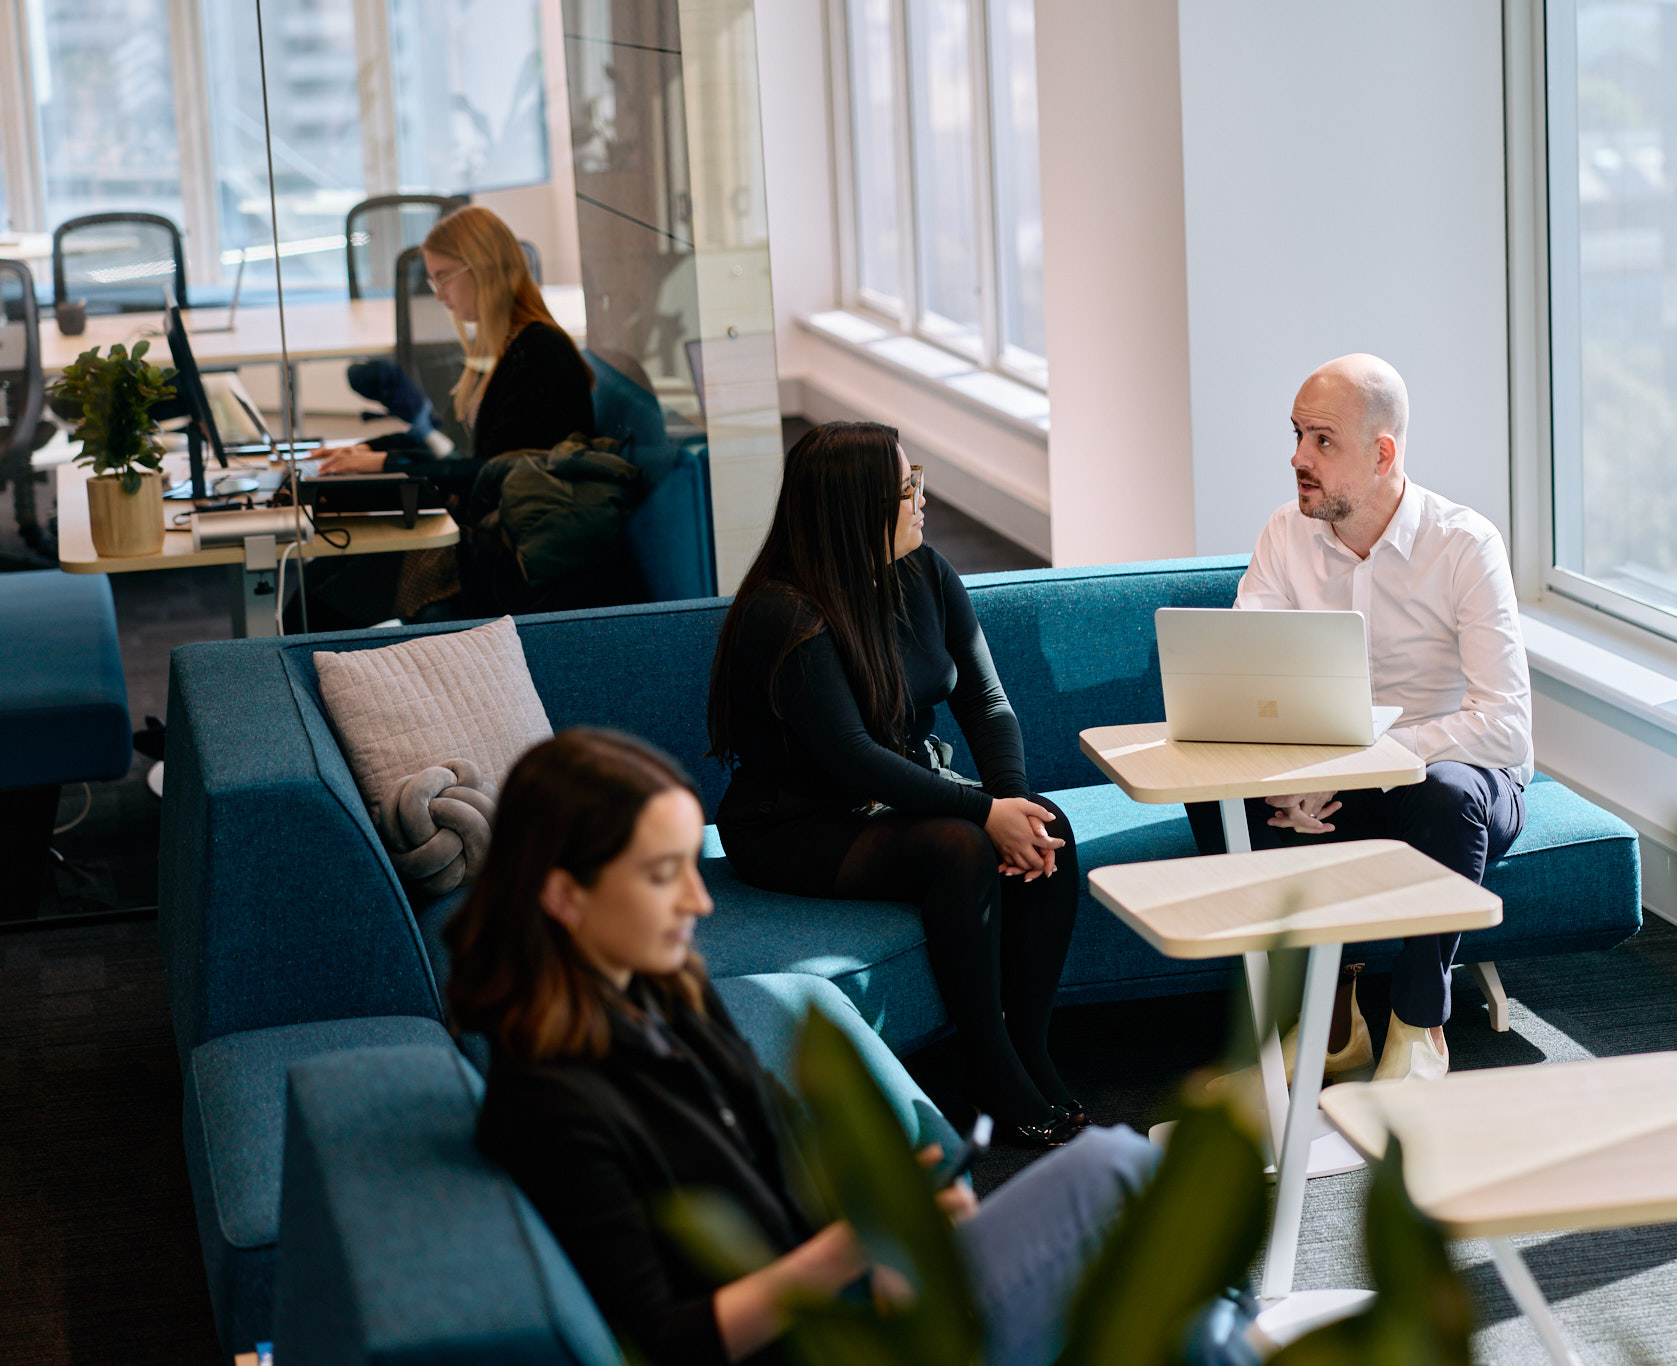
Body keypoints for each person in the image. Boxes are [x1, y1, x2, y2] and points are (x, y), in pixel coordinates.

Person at [449, 728, 1234, 1366]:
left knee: (1143, 1219)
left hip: (862, 1301)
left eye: (691, 866)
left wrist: (894, 1228)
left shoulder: (661, 991)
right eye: (662, 876)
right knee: (1118, 1173)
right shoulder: (551, 1103)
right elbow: (664, 1341)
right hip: (829, 1343)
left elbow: (766, 1150)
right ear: (564, 896)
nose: (698, 900)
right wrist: (857, 1245)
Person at [706, 422, 1084, 1147]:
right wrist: (983, 814)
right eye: (906, 488)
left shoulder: (926, 571)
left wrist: (1009, 803)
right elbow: (851, 756)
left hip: (898, 793)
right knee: (959, 848)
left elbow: (986, 702)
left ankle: (1029, 1049)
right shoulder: (783, 611)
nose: (921, 500)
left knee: (1046, 825)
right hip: (796, 821)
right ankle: (991, 1067)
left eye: (917, 482)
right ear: (855, 510)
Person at [1187, 354, 1531, 1084]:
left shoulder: (1465, 544)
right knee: (1218, 795)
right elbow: (1245, 687)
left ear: (1382, 454)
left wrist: (1358, 762)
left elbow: (1504, 727)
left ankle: (1419, 1025)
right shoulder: (1285, 535)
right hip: (1332, 783)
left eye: (1322, 441)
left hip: (1448, 787)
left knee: (1445, 792)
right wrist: (1284, 775)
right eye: (1297, 435)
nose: (1298, 458)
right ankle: (1329, 1019)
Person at [300, 206, 596, 626]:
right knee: (318, 582)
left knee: (316, 602)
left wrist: (387, 463)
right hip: (471, 517)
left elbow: (493, 472)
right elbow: (447, 439)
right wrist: (368, 448)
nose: (437, 294)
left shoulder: (539, 353)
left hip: (500, 544)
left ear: (484, 268)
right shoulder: (500, 343)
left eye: (443, 277)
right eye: (432, 280)